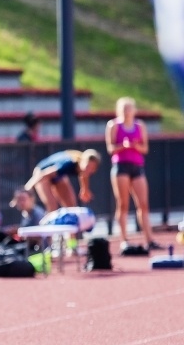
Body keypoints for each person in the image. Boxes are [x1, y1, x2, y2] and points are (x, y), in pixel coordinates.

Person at [105, 97, 161, 251]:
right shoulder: (113, 125)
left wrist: (135, 146)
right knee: (123, 204)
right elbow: (110, 149)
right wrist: (122, 146)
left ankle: (149, 239)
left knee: (143, 204)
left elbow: (145, 149)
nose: (127, 111)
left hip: (137, 166)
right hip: (120, 166)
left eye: (130, 108)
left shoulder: (140, 125)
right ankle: (124, 239)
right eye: (124, 108)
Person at [23, 149, 101, 212]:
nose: (89, 170)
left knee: (71, 207)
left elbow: (83, 175)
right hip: (42, 172)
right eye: (87, 166)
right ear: (82, 161)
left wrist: (85, 189)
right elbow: (44, 174)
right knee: (52, 206)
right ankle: (49, 229)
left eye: (92, 169)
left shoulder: (85, 170)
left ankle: (72, 230)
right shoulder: (68, 164)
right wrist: (27, 187)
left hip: (58, 176)